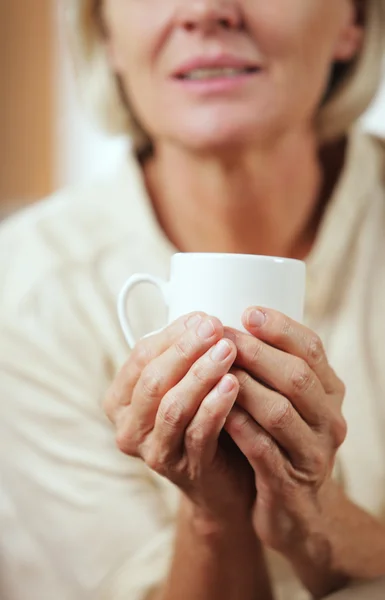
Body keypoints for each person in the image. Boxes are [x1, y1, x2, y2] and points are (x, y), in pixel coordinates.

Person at [0, 0, 385, 599]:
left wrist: (317, 516)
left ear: (352, 23)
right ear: (104, 35)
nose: (206, 11)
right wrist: (213, 516)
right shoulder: (25, 291)